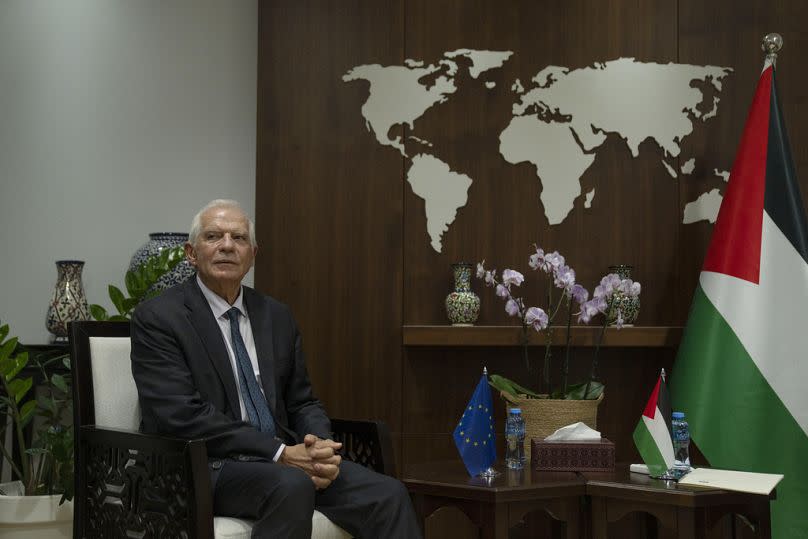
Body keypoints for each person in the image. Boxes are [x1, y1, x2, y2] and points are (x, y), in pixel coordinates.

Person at [130, 199, 421, 538]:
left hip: (284, 461)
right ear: (191, 253)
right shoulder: (160, 318)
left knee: (388, 494)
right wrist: (279, 452)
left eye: (238, 238)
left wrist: (319, 446)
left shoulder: (275, 315)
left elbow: (302, 401)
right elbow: (179, 415)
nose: (227, 245)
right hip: (205, 465)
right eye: (213, 237)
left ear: (253, 254)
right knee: (291, 484)